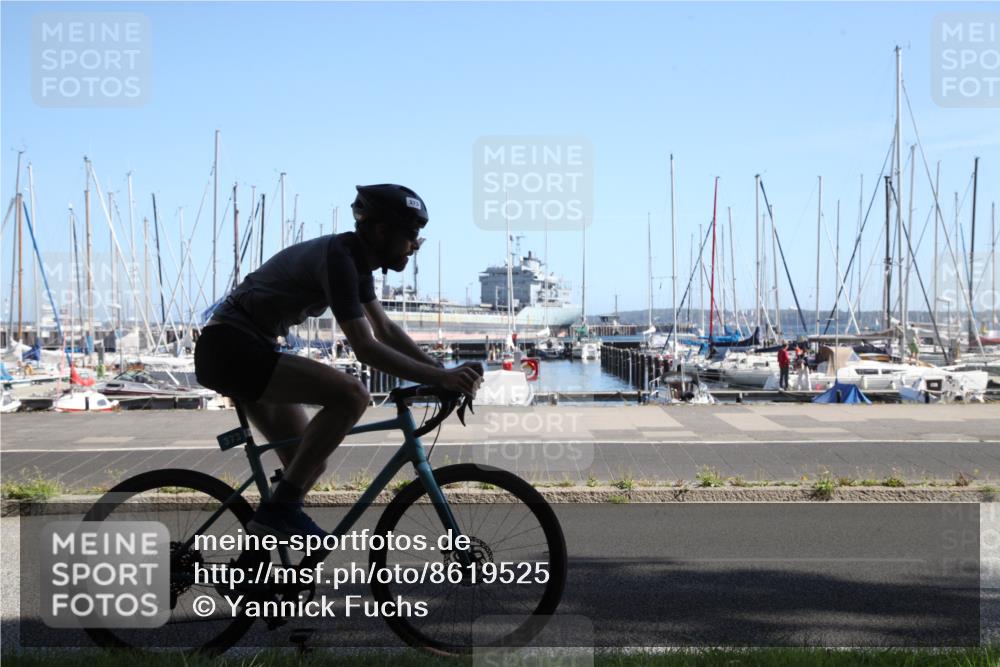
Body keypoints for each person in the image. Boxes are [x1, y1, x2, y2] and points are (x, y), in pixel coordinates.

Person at [195, 184, 483, 539]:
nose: (415, 245)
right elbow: (366, 347)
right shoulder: (340, 259)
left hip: (244, 348)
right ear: (382, 231)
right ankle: (280, 511)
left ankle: (257, 551)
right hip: (231, 348)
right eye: (411, 235)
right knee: (353, 394)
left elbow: (386, 329)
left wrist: (443, 372)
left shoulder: (355, 262)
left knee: (307, 463)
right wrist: (441, 379)